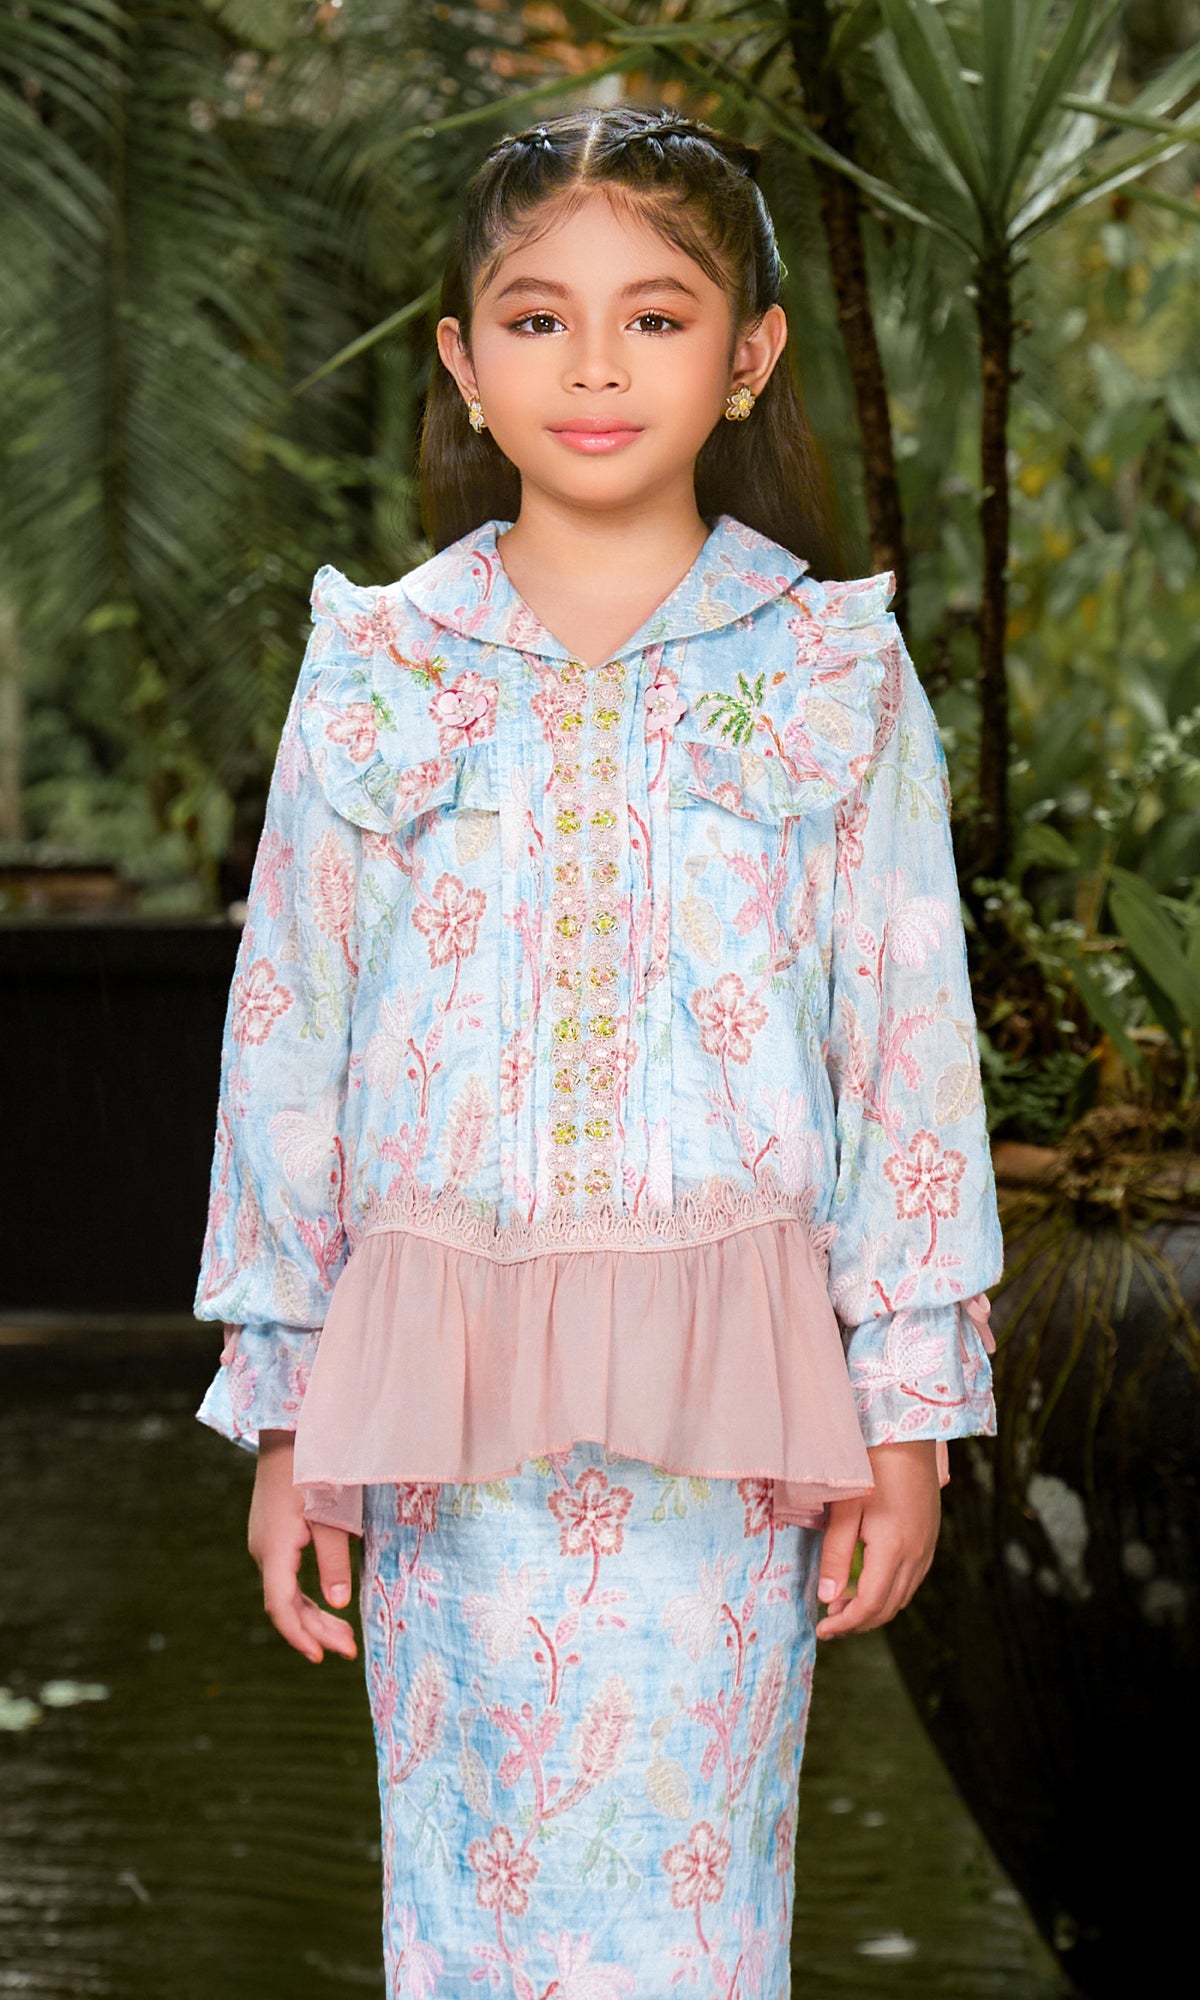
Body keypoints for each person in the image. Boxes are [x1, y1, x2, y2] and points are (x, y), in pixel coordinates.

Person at [193, 103, 1001, 1998]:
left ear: (751, 354)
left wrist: (906, 1416)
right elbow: (285, 1041)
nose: (595, 365)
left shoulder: (828, 668)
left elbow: (908, 1047)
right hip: (439, 1415)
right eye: (538, 318)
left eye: (656, 315)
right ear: (465, 364)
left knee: (696, 1928)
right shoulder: (379, 667)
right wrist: (288, 1417)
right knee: (467, 1920)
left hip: (736, 1421)